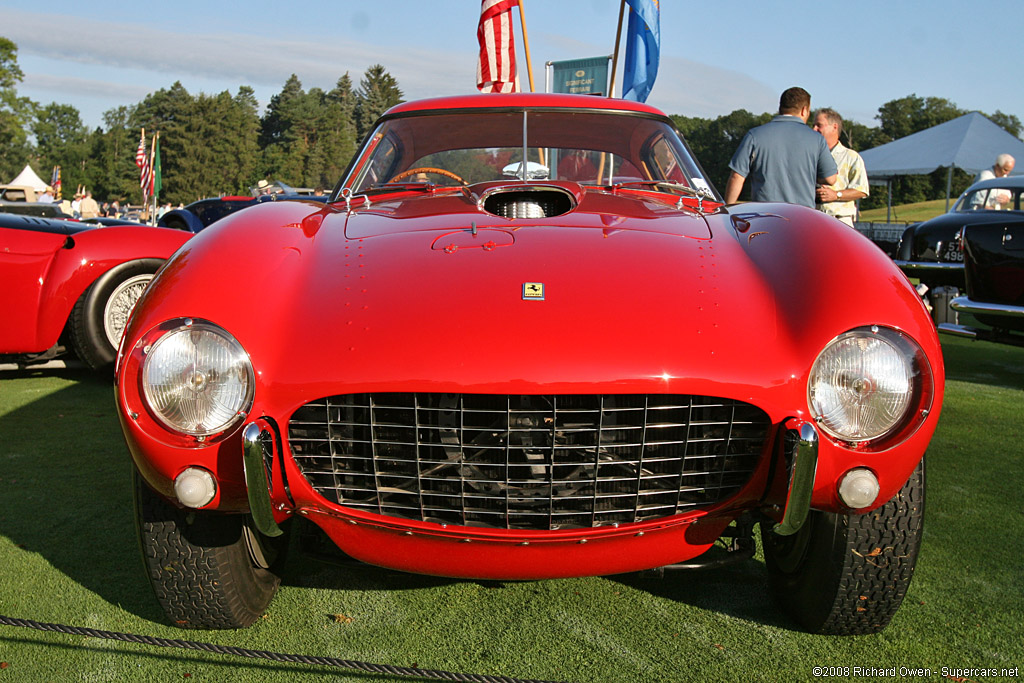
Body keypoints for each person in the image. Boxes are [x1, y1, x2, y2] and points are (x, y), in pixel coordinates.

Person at [725, 87, 837, 207]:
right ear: (804, 110)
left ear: (780, 107)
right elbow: (830, 178)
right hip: (803, 216)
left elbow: (736, 176)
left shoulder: (755, 135)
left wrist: (726, 210)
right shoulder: (817, 139)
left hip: (765, 215)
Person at [812, 108, 869, 228]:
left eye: (819, 125)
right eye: (813, 125)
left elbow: (862, 190)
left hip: (840, 222)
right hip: (813, 221)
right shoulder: (809, 155)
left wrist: (836, 195)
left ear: (834, 127)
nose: (814, 129)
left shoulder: (851, 157)